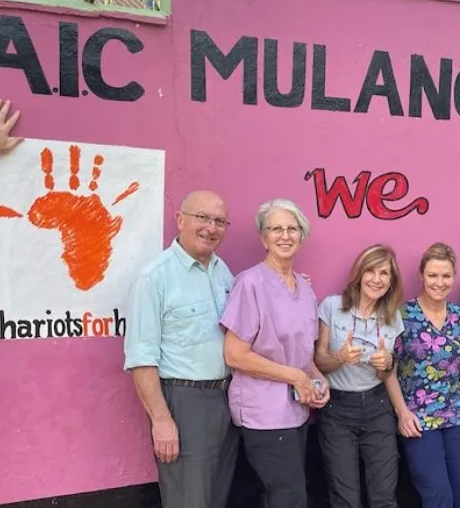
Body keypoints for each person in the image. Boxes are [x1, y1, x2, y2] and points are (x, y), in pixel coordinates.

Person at [123, 190, 239, 508]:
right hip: (184, 401)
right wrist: (162, 420)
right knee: (188, 500)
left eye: (219, 221)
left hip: (224, 398)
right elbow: (141, 358)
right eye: (202, 218)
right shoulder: (154, 278)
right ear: (180, 220)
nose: (211, 228)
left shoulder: (222, 271)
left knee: (216, 496)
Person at [219, 199, 331, 508]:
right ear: (263, 238)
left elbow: (302, 354)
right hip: (263, 413)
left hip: (296, 411)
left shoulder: (304, 289)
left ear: (302, 235)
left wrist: (318, 381)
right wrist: (295, 376)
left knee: (289, 495)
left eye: (292, 229)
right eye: (276, 228)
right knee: (288, 497)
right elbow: (235, 354)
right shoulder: (250, 283)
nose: (285, 235)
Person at [386, 242, 460, 508]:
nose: (439, 282)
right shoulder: (402, 316)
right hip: (418, 418)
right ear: (421, 275)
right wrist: (402, 413)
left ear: (454, 277)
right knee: (438, 497)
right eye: (432, 275)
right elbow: (388, 371)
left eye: (446, 276)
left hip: (457, 416)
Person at [314, 244, 405, 508]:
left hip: (378, 408)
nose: (377, 279)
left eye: (384, 273)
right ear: (359, 273)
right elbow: (318, 361)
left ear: (391, 282)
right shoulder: (332, 306)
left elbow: (388, 373)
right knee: (345, 498)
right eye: (371, 271)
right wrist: (340, 357)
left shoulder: (392, 318)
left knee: (384, 495)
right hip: (337, 410)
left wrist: (387, 362)